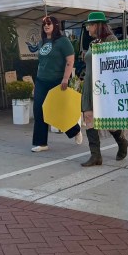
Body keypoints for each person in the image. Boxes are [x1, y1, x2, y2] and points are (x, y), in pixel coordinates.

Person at [79, 12, 127, 167]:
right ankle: (95, 156)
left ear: (97, 25)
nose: (88, 28)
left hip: (103, 86)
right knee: (88, 117)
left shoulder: (110, 40)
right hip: (89, 84)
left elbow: (117, 62)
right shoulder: (94, 42)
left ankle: (122, 141)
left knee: (108, 120)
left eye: (90, 25)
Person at [31, 15, 80, 152]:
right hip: (41, 80)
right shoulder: (42, 42)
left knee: (59, 110)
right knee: (38, 110)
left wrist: (65, 78)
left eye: (49, 24)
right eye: (44, 24)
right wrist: (36, 82)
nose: (46, 26)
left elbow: (70, 61)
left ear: (55, 26)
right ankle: (41, 143)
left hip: (57, 80)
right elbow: (41, 63)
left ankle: (75, 131)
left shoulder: (63, 41)